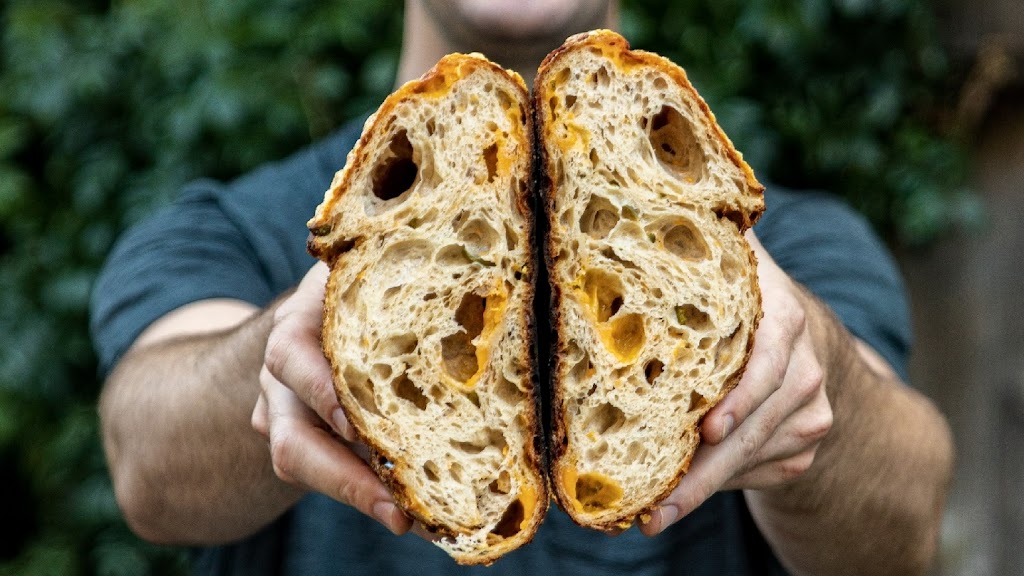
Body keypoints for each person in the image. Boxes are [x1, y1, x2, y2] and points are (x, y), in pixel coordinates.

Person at [90, 1, 954, 574]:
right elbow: (147, 455)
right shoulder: (232, 228)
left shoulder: (797, 243)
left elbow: (906, 522)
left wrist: (817, 376)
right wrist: (309, 352)